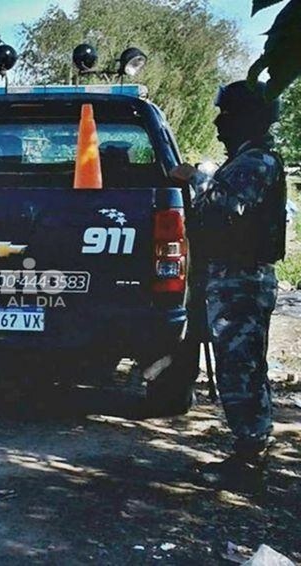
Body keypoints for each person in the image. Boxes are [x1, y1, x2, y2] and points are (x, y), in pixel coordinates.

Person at [171, 80, 286, 485]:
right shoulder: (246, 160)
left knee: (240, 367)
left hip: (241, 279)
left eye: (226, 115)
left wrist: (196, 178)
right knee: (240, 364)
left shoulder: (255, 162)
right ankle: (250, 449)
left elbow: (224, 208)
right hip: (232, 277)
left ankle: (250, 458)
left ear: (246, 119)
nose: (219, 123)